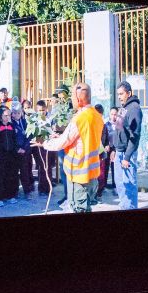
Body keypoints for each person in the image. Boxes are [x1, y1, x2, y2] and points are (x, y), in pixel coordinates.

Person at [34, 83, 104, 213]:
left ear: (79, 99)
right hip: (92, 173)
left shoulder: (80, 118)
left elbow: (63, 142)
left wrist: (45, 143)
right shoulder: (96, 115)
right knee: (87, 206)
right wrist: (60, 136)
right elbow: (82, 138)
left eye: (72, 97)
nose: (71, 100)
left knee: (79, 209)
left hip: (79, 174)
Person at [112, 81, 143, 210]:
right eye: (118, 94)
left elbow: (134, 135)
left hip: (126, 154)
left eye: (121, 94)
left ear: (129, 93)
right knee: (120, 184)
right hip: (119, 152)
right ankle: (124, 207)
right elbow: (119, 130)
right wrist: (114, 149)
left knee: (129, 185)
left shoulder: (134, 109)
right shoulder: (124, 107)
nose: (119, 97)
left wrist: (127, 157)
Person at [0, 107, 19, 206]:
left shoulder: (11, 126)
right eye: (5, 115)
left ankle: (10, 195)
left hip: (11, 155)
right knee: (0, 176)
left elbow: (14, 140)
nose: (8, 117)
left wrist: (14, 150)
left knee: (11, 175)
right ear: (0, 116)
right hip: (0, 156)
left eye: (9, 115)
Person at [10, 104, 34, 199]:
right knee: (14, 172)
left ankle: (27, 191)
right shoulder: (10, 124)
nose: (17, 114)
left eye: (19, 113)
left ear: (21, 113)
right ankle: (14, 192)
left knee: (25, 172)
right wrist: (17, 149)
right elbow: (10, 139)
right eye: (15, 113)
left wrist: (24, 148)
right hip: (15, 153)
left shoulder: (25, 123)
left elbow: (29, 136)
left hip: (25, 152)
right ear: (12, 114)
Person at [32, 100, 52, 196]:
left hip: (49, 145)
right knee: (41, 167)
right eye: (39, 110)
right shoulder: (35, 120)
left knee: (48, 167)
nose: (41, 112)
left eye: (43, 110)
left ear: (46, 109)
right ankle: (41, 188)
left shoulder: (49, 119)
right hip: (39, 145)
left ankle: (48, 188)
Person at [94, 104, 111, 201]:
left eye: (100, 114)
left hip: (101, 153)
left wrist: (107, 145)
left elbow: (107, 138)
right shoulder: (91, 125)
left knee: (101, 173)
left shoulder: (104, 126)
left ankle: (99, 192)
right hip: (93, 153)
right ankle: (94, 192)